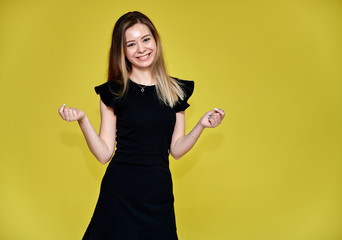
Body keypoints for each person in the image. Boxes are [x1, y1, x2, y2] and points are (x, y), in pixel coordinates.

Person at [58, 11, 225, 240]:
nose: (141, 49)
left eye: (146, 39)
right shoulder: (115, 91)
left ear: (155, 40)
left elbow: (176, 149)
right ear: (123, 51)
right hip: (120, 195)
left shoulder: (175, 90)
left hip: (159, 195)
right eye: (131, 44)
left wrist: (201, 125)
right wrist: (83, 120)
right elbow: (104, 154)